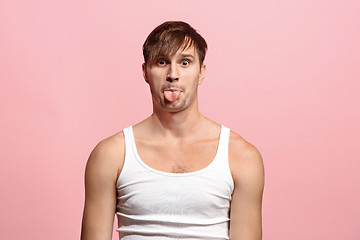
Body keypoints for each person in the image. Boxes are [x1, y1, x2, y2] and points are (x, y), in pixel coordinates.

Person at [81, 21, 264, 240]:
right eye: (161, 62)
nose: (173, 74)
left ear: (201, 72)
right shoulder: (110, 154)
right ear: (145, 72)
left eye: (185, 62)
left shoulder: (241, 156)